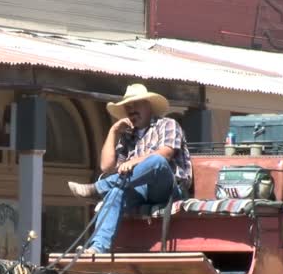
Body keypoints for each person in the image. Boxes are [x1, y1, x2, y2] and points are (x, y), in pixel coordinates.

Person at [67, 83, 192, 254]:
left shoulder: (168, 124)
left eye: (136, 104)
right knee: (116, 192)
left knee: (156, 161)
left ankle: (97, 189)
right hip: (139, 190)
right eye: (128, 107)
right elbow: (106, 166)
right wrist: (113, 131)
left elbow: (166, 154)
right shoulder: (128, 136)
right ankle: (97, 248)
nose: (131, 110)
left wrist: (134, 162)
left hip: (168, 189)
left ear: (148, 105)